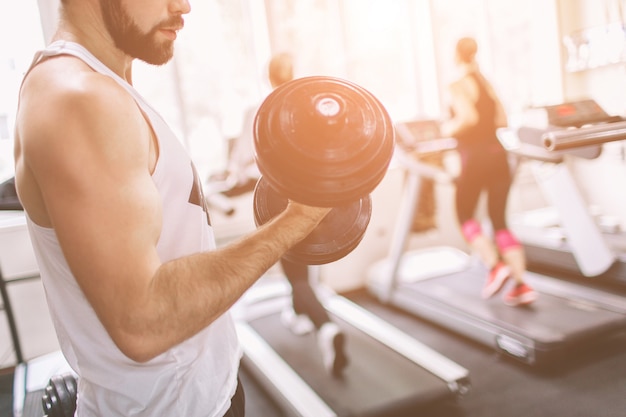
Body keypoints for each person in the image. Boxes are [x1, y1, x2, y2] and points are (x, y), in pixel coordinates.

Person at [13, 1, 332, 416]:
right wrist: (298, 219)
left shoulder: (102, 86)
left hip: (205, 396)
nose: (183, 6)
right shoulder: (79, 99)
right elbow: (142, 322)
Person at [230, 52, 349, 377]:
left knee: (295, 272)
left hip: (278, 201)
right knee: (302, 264)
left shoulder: (257, 111)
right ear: (292, 74)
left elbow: (241, 162)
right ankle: (299, 311)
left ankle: (325, 327)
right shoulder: (307, 109)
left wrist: (233, 175)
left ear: (270, 78)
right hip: (316, 196)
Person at [440, 37, 537, 306]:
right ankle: (520, 284)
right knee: (499, 221)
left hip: (475, 158)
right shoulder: (486, 83)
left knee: (464, 215)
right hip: (498, 155)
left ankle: (495, 266)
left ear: (456, 55)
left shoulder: (457, 84)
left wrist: (444, 129)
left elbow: (467, 118)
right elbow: (502, 120)